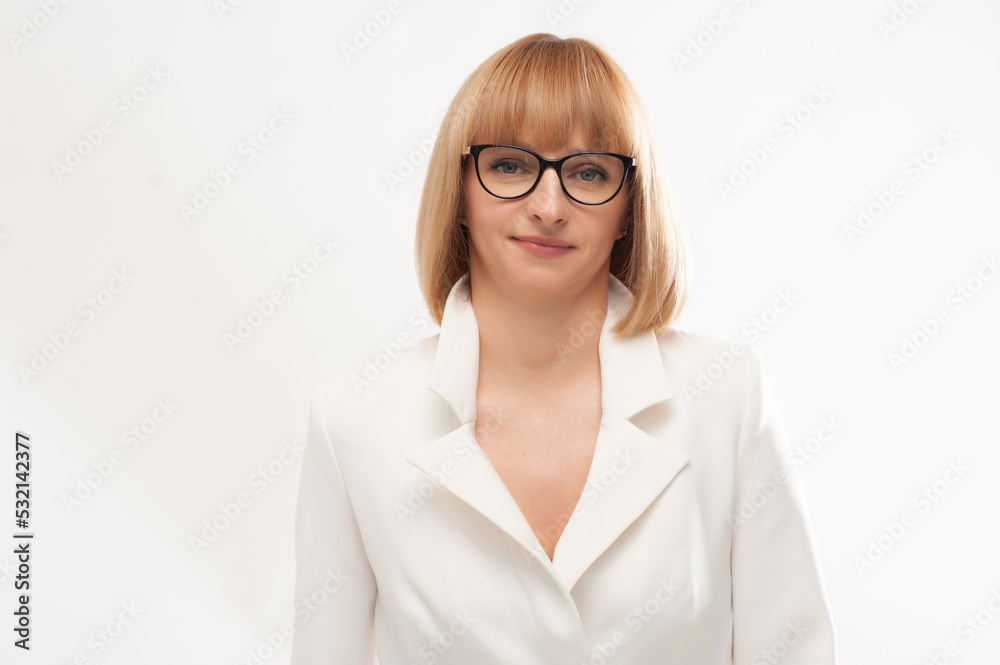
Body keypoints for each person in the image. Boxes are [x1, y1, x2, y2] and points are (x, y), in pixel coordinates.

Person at [290, 32, 837, 665]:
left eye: (588, 172)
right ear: (460, 189)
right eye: (511, 165)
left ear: (631, 205)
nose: (549, 207)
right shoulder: (352, 421)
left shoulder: (725, 394)